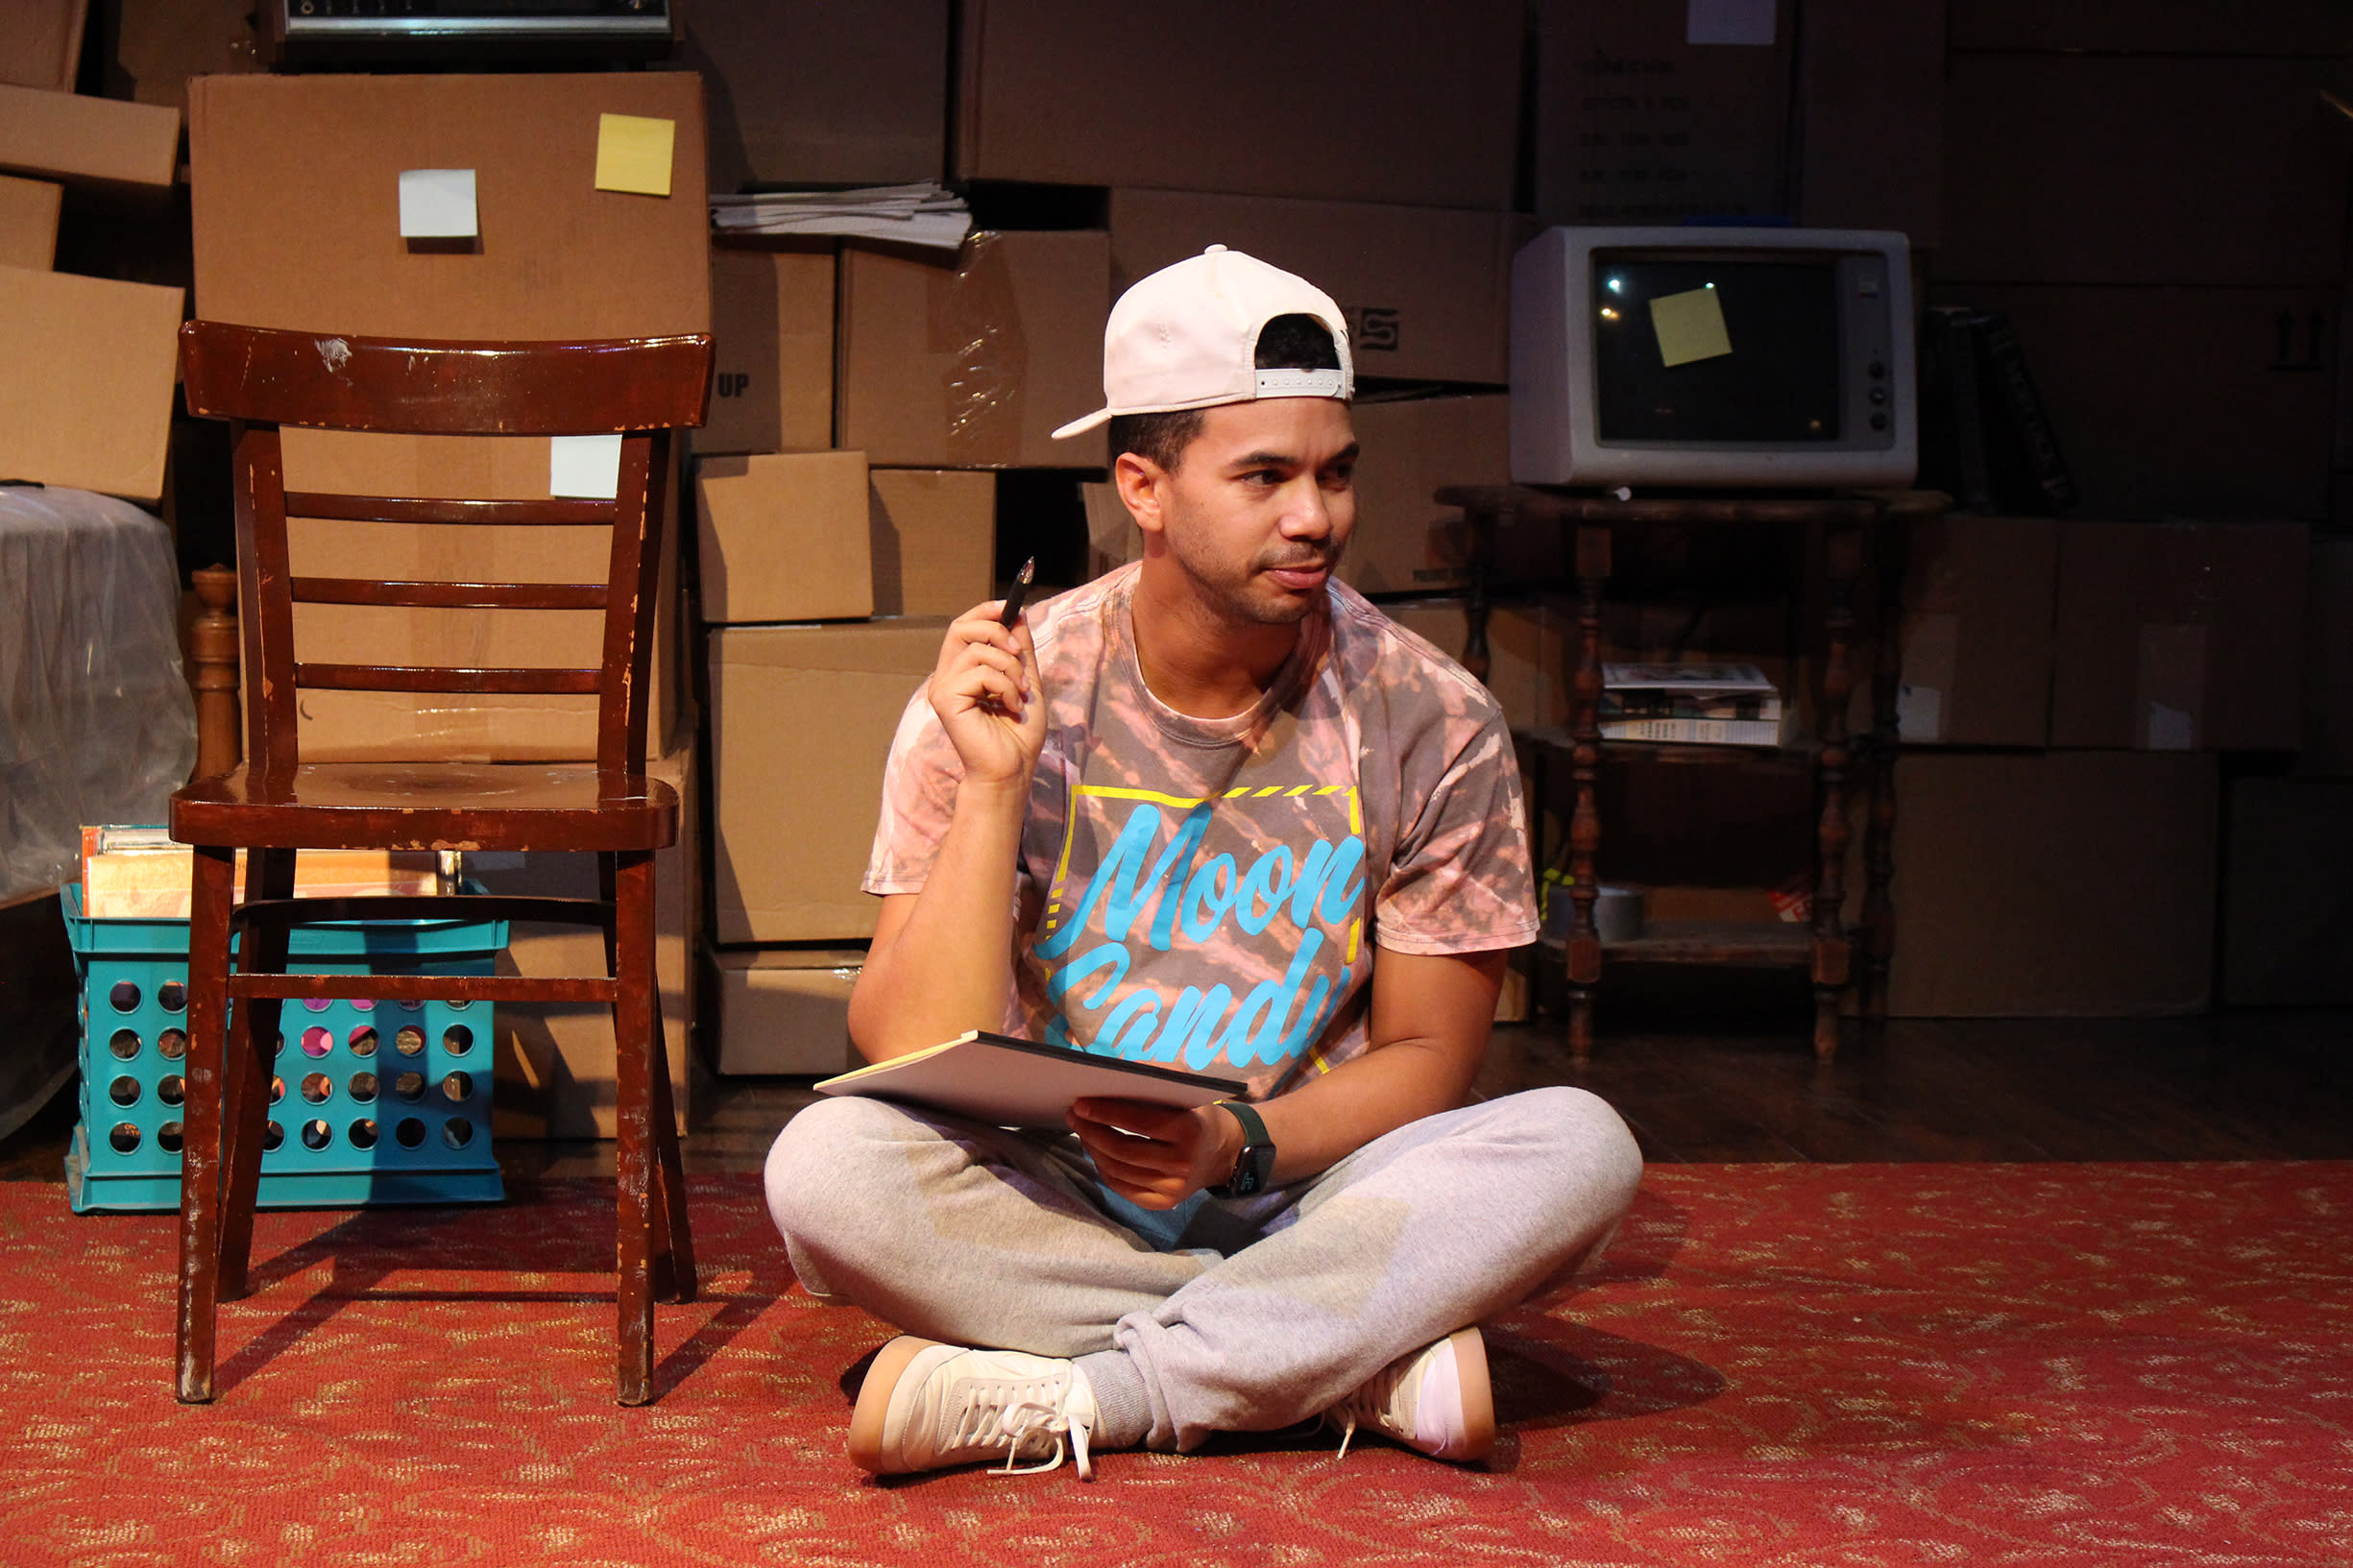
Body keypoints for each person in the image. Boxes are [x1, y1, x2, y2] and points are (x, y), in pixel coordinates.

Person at [764, 246, 1641, 1481]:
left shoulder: (1431, 717)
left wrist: (1235, 1141)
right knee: (824, 1168)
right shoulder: (1003, 694)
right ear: (1144, 485)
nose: (1315, 517)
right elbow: (905, 1042)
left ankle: (1102, 1391)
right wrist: (995, 786)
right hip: (1060, 1193)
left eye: (1336, 472)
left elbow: (1429, 1058)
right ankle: (1333, 1356)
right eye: (1264, 476)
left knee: (1580, 1144)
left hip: (1306, 1181)